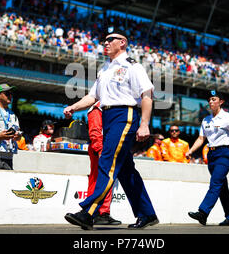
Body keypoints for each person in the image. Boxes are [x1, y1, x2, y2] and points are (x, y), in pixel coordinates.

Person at [63, 27, 158, 230]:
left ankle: (88, 212)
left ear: (122, 42)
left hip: (125, 115)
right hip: (108, 115)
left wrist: (144, 124)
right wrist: (74, 106)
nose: (105, 43)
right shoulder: (104, 68)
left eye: (110, 39)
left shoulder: (133, 66)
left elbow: (147, 96)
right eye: (104, 40)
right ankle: (147, 214)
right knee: (124, 170)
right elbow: (93, 97)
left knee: (108, 161)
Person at [186, 90, 229, 226]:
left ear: (221, 102)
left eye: (214, 99)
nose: (210, 102)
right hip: (212, 154)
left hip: (224, 153)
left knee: (215, 182)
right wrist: (190, 150)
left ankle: (203, 212)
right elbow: (201, 138)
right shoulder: (206, 119)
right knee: (221, 187)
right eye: (209, 100)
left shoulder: (228, 118)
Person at [86, 101, 121, 225]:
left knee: (105, 180)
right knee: (98, 181)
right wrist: (100, 150)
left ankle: (101, 213)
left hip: (106, 149)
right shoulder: (98, 107)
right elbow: (95, 131)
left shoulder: (108, 104)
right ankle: (95, 213)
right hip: (100, 149)